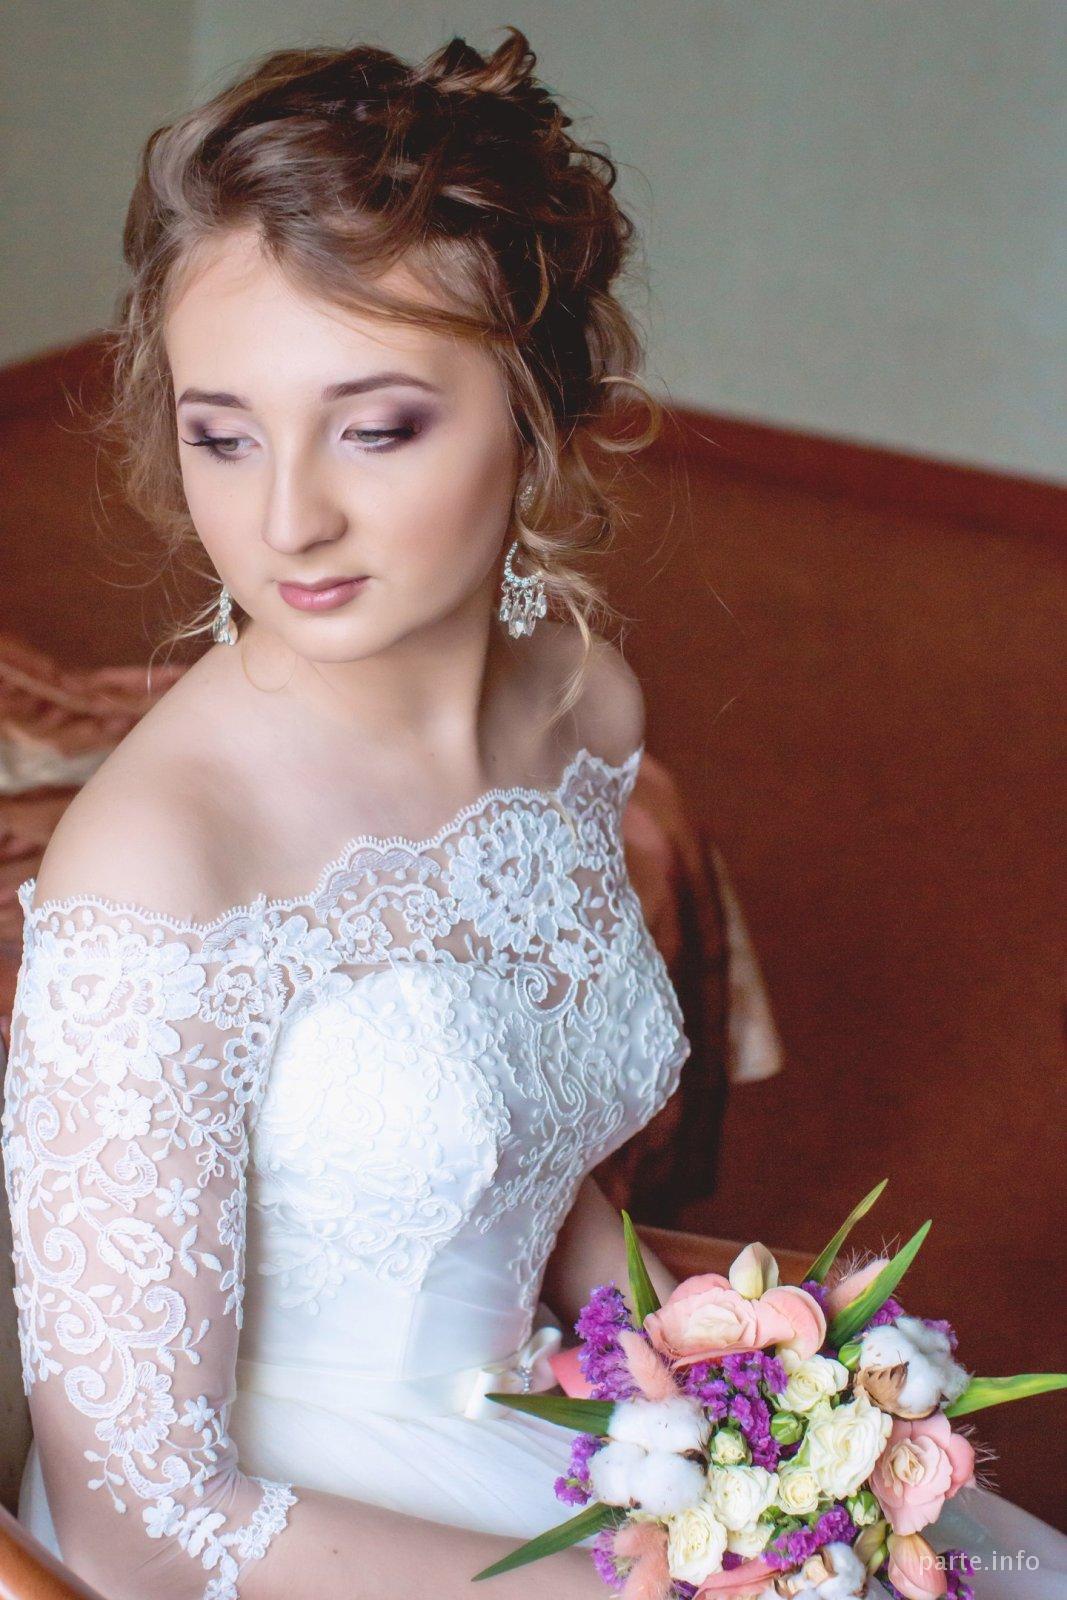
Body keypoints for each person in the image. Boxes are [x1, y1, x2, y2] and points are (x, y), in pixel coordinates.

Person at [1, 25, 1064, 1600]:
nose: (284, 518)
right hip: (285, 1539)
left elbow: (525, 1152)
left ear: (538, 408)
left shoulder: (585, 706)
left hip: (536, 1425)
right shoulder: (158, 860)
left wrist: (712, 1381)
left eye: (375, 428)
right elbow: (140, 1523)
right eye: (221, 434)